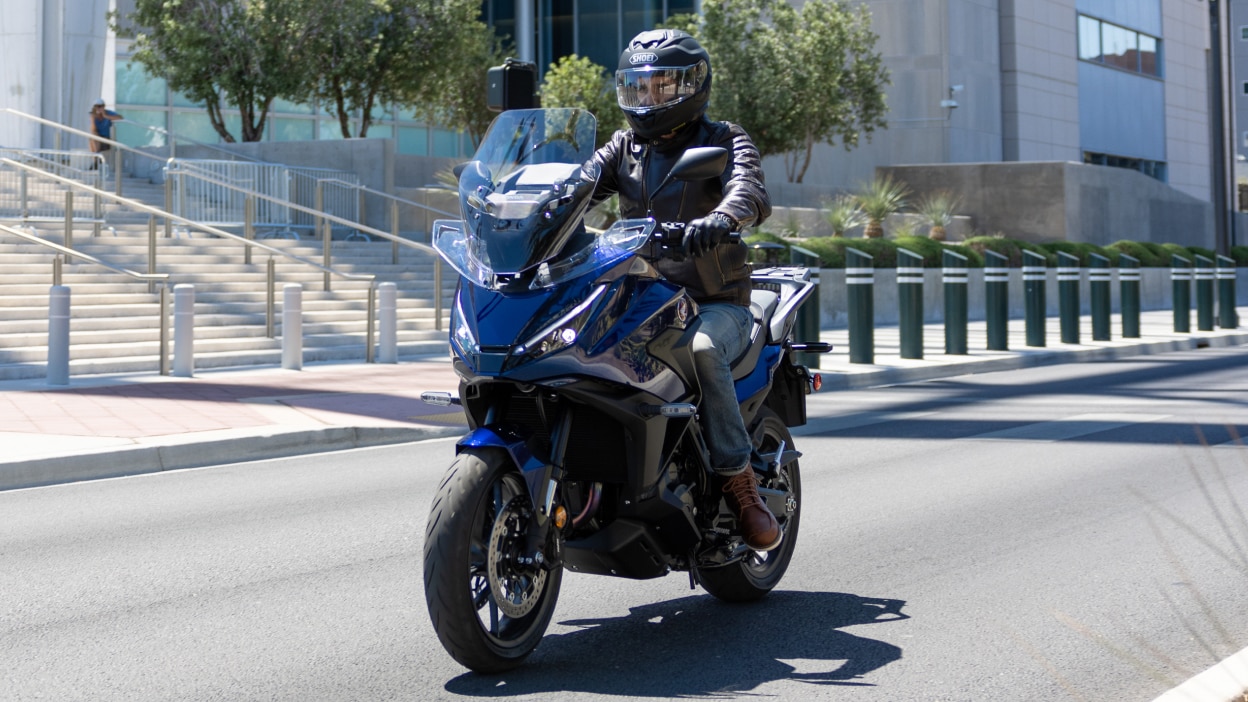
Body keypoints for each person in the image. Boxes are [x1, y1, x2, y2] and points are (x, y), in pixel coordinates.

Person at [586, 29, 779, 551]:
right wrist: (534, 205)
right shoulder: (624, 147)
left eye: (662, 87)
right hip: (644, 296)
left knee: (702, 349)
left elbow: (750, 190)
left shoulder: (723, 138)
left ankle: (741, 485)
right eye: (639, 87)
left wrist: (722, 217)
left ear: (692, 86)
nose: (650, 99)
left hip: (715, 302)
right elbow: (580, 182)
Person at [88, 99, 122, 169]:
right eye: (96, 107)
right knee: (92, 136)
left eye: (100, 106)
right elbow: (93, 130)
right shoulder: (93, 116)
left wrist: (106, 116)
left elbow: (120, 118)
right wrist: (93, 120)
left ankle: (96, 160)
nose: (98, 108)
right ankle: (96, 159)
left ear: (103, 107)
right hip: (97, 140)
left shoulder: (108, 113)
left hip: (107, 139)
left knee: (93, 138)